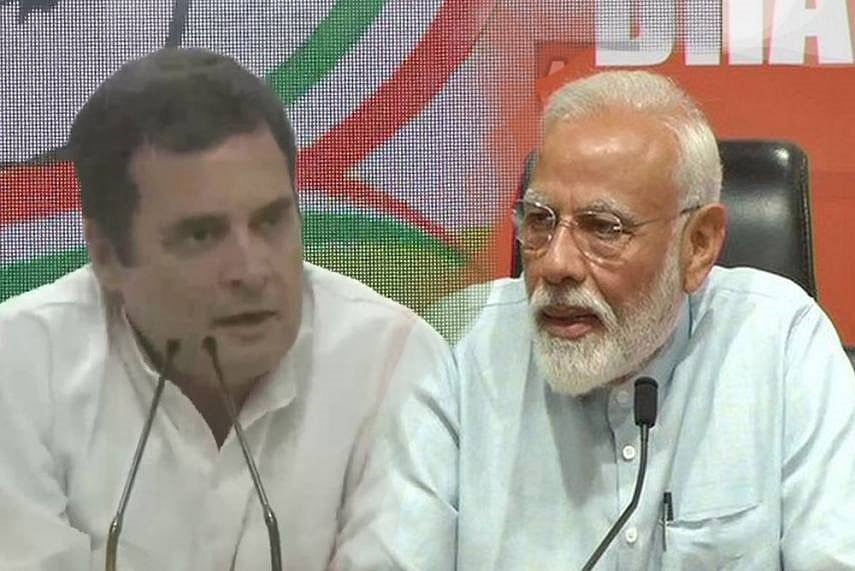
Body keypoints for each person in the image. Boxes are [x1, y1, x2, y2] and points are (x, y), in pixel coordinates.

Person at [353, 70, 855, 569]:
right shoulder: (458, 348)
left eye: (603, 228)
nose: (556, 264)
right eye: (540, 220)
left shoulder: (781, 342)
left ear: (698, 245)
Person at [0, 47, 453, 570]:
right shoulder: (20, 366)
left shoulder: (391, 363)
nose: (252, 271)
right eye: (202, 235)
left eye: (271, 222)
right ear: (106, 255)